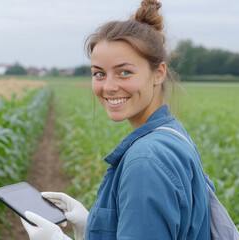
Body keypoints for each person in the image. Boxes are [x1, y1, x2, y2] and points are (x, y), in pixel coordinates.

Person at [21, 0, 214, 239]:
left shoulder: (146, 160)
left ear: (159, 73)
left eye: (124, 72)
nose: (109, 87)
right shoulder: (173, 135)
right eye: (99, 73)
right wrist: (90, 227)